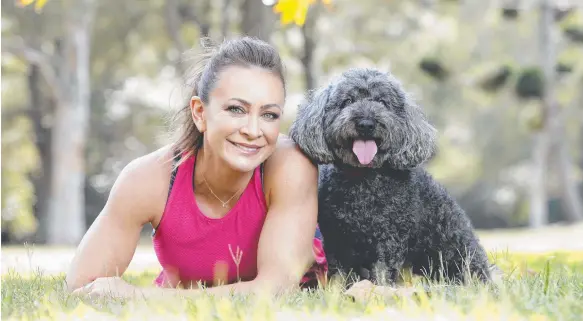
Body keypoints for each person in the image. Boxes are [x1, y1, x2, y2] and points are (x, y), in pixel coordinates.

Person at [66, 37, 327, 299]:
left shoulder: (290, 165)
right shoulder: (148, 178)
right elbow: (82, 284)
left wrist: (139, 296)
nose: (253, 130)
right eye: (236, 109)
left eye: (269, 114)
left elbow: (276, 288)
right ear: (200, 113)